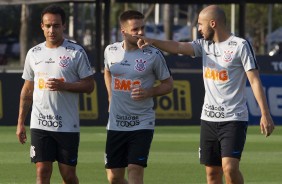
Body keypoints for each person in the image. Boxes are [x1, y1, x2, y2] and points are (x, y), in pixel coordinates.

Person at [135, 5, 275, 184]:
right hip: (208, 119)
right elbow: (178, 46)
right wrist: (153, 41)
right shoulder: (204, 45)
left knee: (230, 169)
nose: (198, 29)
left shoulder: (240, 45)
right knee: (212, 175)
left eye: (200, 24)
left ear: (213, 23)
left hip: (234, 118)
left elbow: (254, 81)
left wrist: (265, 113)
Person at [16, 4, 95, 184]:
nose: (52, 30)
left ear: (63, 26)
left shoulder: (76, 52)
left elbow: (90, 85)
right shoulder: (34, 53)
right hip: (40, 123)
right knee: (42, 172)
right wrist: (21, 122)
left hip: (67, 125)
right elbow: (27, 89)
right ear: (42, 26)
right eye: (48, 25)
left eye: (56, 25)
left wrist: (65, 86)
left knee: (68, 176)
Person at [104, 10, 173, 184]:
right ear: (123, 31)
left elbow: (168, 85)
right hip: (116, 123)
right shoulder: (110, 51)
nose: (141, 32)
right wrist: (110, 96)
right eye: (135, 29)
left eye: (142, 28)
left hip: (142, 122)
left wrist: (149, 92)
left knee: (135, 170)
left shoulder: (153, 54)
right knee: (114, 178)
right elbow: (107, 71)